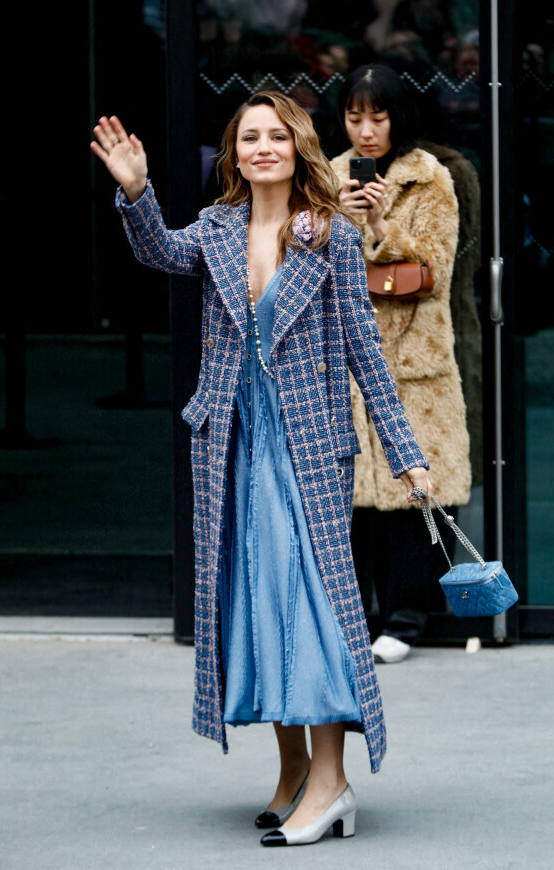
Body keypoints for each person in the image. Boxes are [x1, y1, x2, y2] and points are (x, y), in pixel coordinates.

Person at [91, 91, 430, 847]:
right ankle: (292, 774)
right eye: (250, 137)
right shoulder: (214, 229)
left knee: (310, 604)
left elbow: (363, 353)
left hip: (307, 447)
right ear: (234, 153)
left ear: (298, 145)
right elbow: (160, 252)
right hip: (234, 443)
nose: (264, 147)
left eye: (278, 135)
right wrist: (138, 192)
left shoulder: (330, 235)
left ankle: (333, 782)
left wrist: (406, 454)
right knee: (253, 600)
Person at [330, 64, 471, 663]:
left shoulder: (431, 179)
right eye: (355, 117)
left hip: (414, 362)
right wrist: (338, 221)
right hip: (345, 358)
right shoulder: (328, 177)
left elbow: (429, 274)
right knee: (354, 501)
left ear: (399, 118)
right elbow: (308, 270)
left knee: (417, 497)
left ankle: (407, 618)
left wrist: (382, 225)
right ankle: (358, 615)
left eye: (378, 117)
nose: (366, 132)